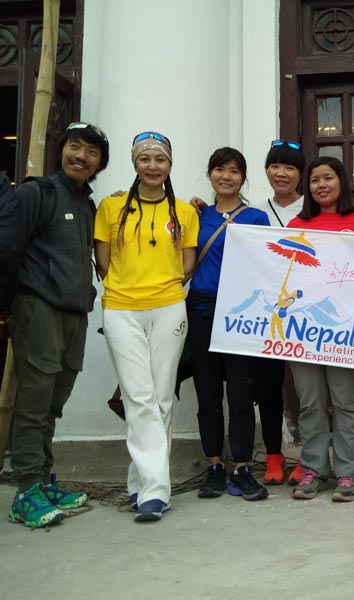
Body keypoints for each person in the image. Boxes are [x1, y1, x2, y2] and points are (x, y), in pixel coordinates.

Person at [3, 122, 109, 528]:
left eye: (91, 152)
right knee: (33, 401)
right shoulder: (37, 193)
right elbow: (9, 245)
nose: (80, 156)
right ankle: (26, 489)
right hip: (39, 308)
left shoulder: (87, 204)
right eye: (74, 147)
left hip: (73, 313)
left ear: (99, 163)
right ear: (61, 150)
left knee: (52, 402)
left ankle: (44, 480)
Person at [94, 131, 199, 522]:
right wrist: (129, 287)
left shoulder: (184, 212)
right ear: (134, 163)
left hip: (170, 307)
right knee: (138, 396)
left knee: (161, 398)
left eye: (160, 159)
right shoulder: (111, 206)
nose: (152, 166)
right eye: (145, 158)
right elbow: (103, 261)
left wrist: (162, 287)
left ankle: (142, 484)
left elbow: (187, 265)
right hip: (121, 308)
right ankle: (157, 491)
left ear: (170, 166)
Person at [187, 147, 269, 501]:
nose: (226, 176)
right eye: (219, 169)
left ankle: (242, 467)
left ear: (243, 178)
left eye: (234, 171)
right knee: (207, 394)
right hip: (202, 310)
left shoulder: (256, 218)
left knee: (240, 394)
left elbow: (267, 267)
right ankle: (215, 465)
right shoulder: (195, 216)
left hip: (240, 316)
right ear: (210, 175)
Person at [286, 156, 354, 502]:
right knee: (310, 402)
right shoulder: (294, 223)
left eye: (328, 178)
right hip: (302, 327)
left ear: (342, 181)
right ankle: (314, 470)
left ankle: (350, 473)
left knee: (346, 400)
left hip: (343, 327)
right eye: (315, 180)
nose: (321, 185)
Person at [253, 140, 306, 486]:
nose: (281, 173)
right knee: (268, 385)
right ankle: (274, 455)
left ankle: (310, 457)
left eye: (289, 167)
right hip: (267, 314)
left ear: (300, 173)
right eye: (275, 166)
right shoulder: (253, 212)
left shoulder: (315, 208)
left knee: (308, 388)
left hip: (307, 311)